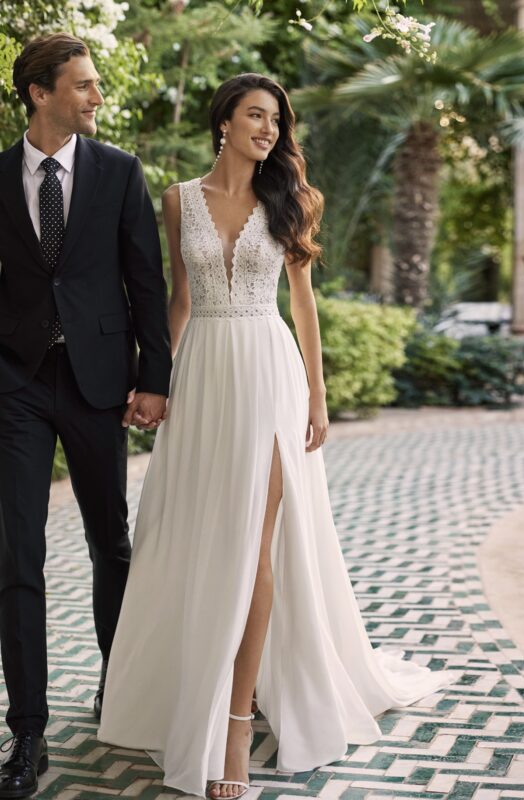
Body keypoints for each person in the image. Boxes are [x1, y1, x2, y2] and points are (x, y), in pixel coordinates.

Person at [98, 73, 454, 799]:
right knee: (200, 533)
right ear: (222, 122)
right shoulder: (178, 200)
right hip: (200, 377)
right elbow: (182, 297)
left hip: (267, 372)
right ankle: (202, 688)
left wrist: (318, 398)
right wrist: (154, 381)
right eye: (255, 116)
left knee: (253, 545)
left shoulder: (287, 200)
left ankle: (233, 721)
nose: (269, 129)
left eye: (276, 120)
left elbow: (304, 304)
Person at [0, 33, 172, 799]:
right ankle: (27, 732)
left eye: (97, 84)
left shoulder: (119, 172)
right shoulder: (1, 177)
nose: (97, 96)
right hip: (18, 385)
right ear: (40, 93)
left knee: (113, 541)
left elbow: (146, 279)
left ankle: (119, 685)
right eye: (84, 85)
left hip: (101, 381)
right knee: (16, 555)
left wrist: (155, 379)